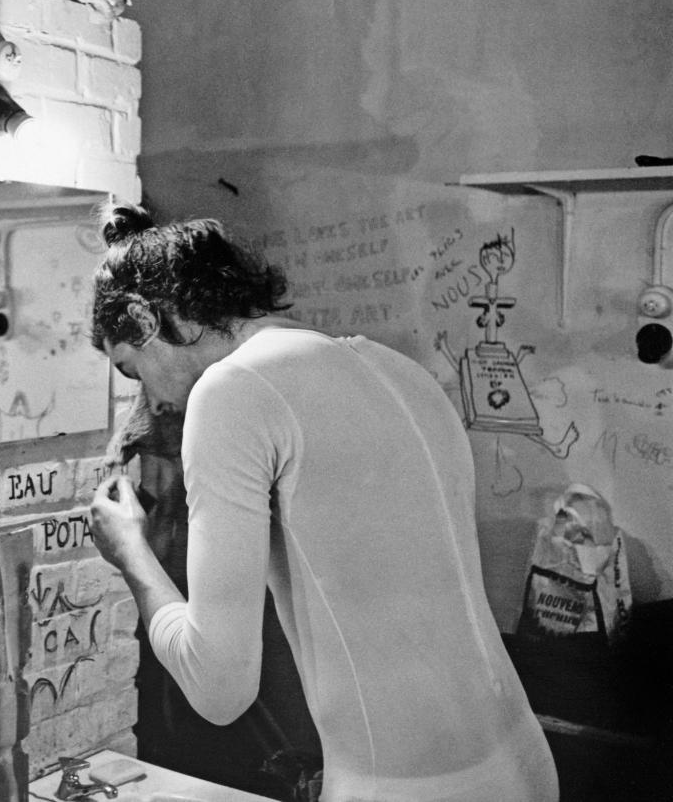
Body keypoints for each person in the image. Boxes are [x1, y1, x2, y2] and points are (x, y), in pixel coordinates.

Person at [87, 204, 558, 802]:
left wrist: (132, 553)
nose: (149, 400)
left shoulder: (230, 391)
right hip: (525, 763)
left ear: (145, 318)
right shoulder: (394, 367)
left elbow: (219, 688)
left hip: (410, 789)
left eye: (132, 371)